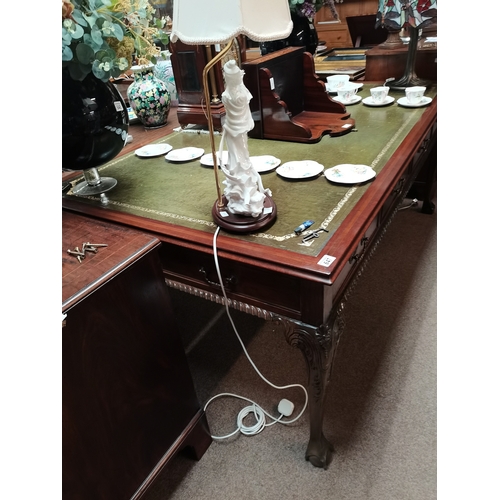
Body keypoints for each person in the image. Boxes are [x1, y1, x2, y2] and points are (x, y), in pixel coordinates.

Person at [218, 60, 271, 218]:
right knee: (237, 156)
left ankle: (245, 186)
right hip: (235, 129)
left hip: (236, 128)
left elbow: (245, 111)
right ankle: (239, 188)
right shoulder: (235, 94)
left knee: (240, 156)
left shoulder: (228, 95)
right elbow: (246, 111)